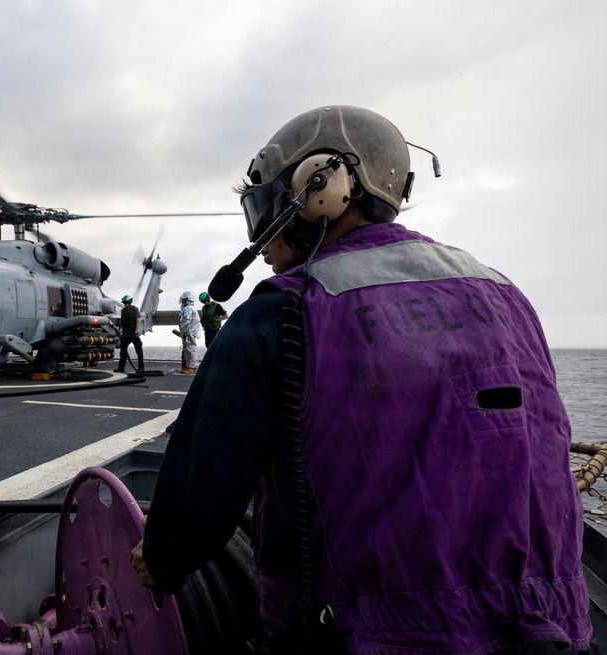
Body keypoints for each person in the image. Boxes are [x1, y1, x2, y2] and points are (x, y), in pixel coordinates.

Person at [130, 105, 591, 654]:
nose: (262, 227)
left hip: (366, 634)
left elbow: (204, 475)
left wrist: (162, 558)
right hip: (551, 626)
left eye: (266, 201)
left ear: (319, 187)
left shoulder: (282, 311)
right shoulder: (505, 293)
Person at [116, 294, 144, 374]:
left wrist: (136, 332)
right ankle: (121, 368)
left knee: (139, 350)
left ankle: (141, 368)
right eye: (124, 302)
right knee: (123, 351)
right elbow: (121, 321)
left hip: (132, 332)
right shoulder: (123, 311)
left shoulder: (135, 309)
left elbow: (138, 320)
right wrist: (119, 330)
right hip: (125, 333)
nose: (125, 304)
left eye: (126, 302)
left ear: (129, 302)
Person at [177, 291, 201, 374]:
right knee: (189, 349)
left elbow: (186, 320)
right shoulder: (190, 308)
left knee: (190, 349)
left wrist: (183, 331)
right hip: (190, 332)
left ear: (187, 299)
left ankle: (192, 367)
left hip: (189, 332)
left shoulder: (188, 309)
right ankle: (189, 366)